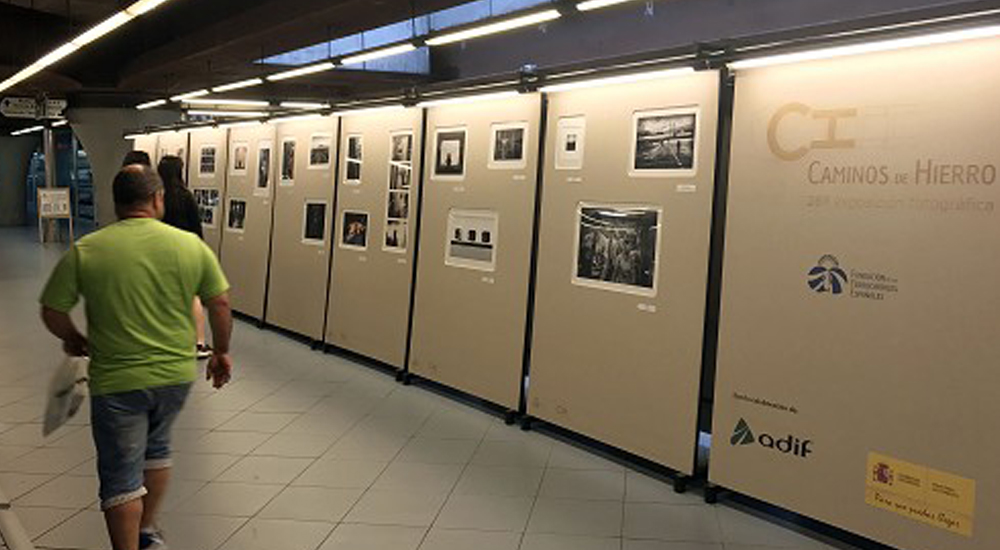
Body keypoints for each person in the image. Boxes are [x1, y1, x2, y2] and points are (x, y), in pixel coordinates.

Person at [39, 165, 234, 550]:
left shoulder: (89, 249)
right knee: (157, 448)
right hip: (175, 377)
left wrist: (74, 338)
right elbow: (220, 302)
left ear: (116, 203)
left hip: (118, 381)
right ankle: (147, 531)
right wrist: (221, 352)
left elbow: (52, 309)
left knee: (121, 476)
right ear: (157, 198)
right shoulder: (189, 245)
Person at [157, 156, 212, 359]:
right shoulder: (185, 196)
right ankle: (198, 343)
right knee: (192, 296)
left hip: (160, 252)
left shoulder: (157, 197)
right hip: (185, 253)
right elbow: (196, 229)